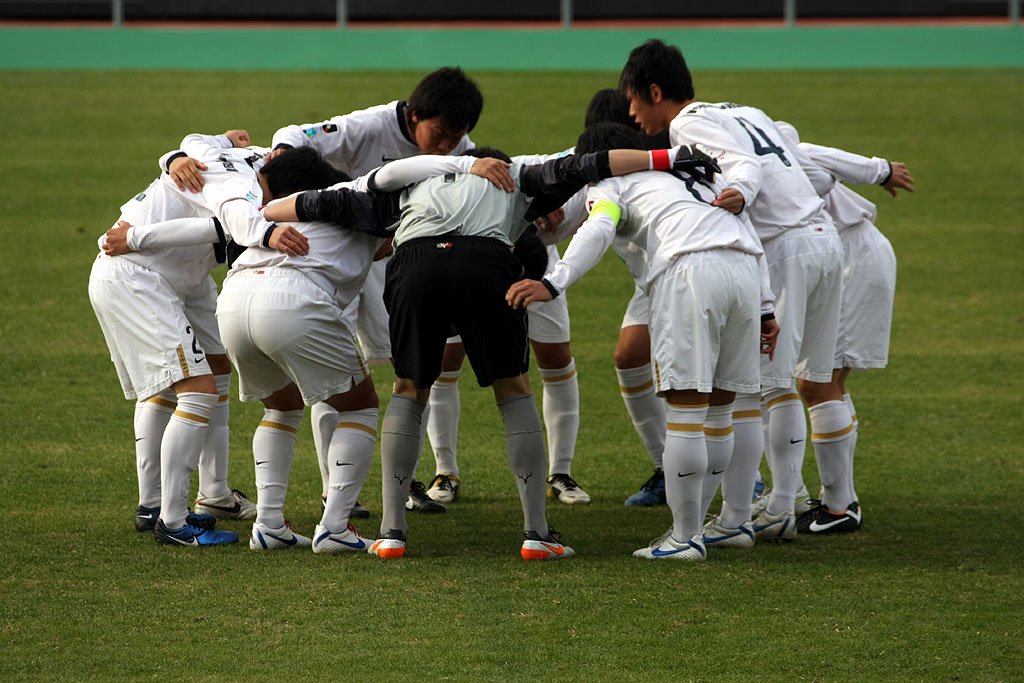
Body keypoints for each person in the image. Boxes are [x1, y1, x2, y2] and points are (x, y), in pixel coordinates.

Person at [274, 142, 719, 559]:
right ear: (501, 167)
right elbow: (592, 162)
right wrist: (669, 155)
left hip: (414, 266)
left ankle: (392, 532)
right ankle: (537, 534)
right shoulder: (518, 177)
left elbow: (313, 203)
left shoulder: (408, 185)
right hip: (484, 261)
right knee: (513, 390)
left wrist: (262, 220)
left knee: (409, 389)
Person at [507, 123, 778, 561]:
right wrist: (765, 307)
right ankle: (734, 522)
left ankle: (684, 538)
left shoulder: (609, 184)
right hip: (744, 269)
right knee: (723, 408)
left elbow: (598, 228)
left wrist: (554, 282)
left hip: (689, 271)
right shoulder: (699, 175)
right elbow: (747, 228)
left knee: (687, 410)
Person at [619, 39, 846, 544]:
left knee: (768, 386)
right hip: (823, 238)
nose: (631, 112)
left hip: (782, 246)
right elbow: (807, 170)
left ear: (654, 91)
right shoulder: (748, 111)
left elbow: (746, 164)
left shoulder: (686, 124)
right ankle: (784, 500)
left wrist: (742, 191)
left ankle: (768, 508)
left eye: (633, 99)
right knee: (801, 379)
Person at [90, 130, 321, 547]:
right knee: (191, 389)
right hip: (138, 273)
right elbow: (224, 226)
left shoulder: (252, 158)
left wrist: (198, 147)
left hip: (181, 275)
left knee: (215, 369)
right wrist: (136, 236)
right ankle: (169, 519)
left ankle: (212, 493)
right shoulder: (245, 191)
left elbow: (194, 142)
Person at [269, 67, 482, 515]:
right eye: (440, 134)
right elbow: (292, 135)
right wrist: (283, 158)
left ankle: (406, 481)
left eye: (456, 137)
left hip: (399, 266)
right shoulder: (368, 126)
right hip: (338, 261)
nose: (447, 146)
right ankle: (334, 489)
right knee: (335, 373)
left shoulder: (460, 147)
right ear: (416, 114)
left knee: (416, 367)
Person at [772, 122, 914, 533]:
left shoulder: (770, 150)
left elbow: (816, 152)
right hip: (848, 254)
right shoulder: (767, 150)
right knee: (827, 382)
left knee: (815, 383)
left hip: (851, 257)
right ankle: (840, 498)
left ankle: (840, 508)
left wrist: (880, 170)